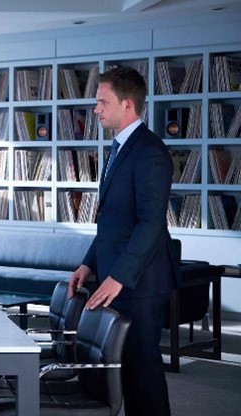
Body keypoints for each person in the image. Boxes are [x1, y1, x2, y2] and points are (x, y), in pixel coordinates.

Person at [68, 67, 179, 416]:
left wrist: (118, 277)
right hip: (116, 278)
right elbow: (112, 221)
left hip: (139, 283)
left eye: (103, 101)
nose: (96, 109)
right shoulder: (118, 148)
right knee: (123, 371)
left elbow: (150, 224)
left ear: (127, 104)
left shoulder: (149, 151)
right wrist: (89, 264)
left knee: (143, 374)